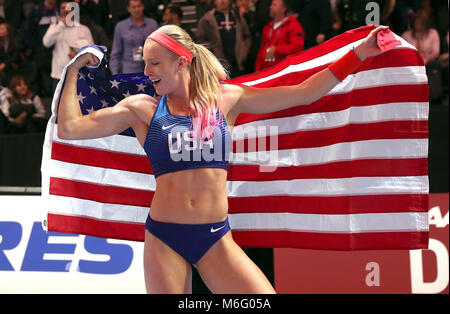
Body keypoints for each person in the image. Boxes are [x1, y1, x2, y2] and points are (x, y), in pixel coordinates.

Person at [56, 23, 388, 293]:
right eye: (145, 63)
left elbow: (305, 93)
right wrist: (71, 72)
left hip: (214, 236)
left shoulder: (226, 100)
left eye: (154, 62)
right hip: (163, 236)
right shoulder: (141, 109)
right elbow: (70, 129)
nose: (146, 71)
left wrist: (359, 53)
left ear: (180, 62)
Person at [43, 1, 94, 92]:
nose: (65, 10)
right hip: (59, 76)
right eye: (62, 8)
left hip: (79, 76)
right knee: (59, 106)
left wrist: (79, 54)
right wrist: (61, 25)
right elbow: (46, 43)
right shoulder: (55, 27)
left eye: (68, 8)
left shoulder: (83, 29)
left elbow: (93, 52)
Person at [196, 0, 251, 78]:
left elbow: (247, 36)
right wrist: (211, 51)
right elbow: (199, 39)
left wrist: (244, 50)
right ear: (215, 2)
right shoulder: (207, 19)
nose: (222, 1)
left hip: (238, 63)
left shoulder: (237, 17)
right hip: (218, 65)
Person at [109, 0, 158, 75]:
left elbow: (158, 49)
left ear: (143, 7)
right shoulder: (121, 26)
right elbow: (116, 52)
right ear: (129, 9)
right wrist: (115, 74)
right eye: (133, 7)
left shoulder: (152, 24)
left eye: (139, 6)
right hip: (127, 72)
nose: (136, 10)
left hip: (149, 70)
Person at [254, 0, 304, 71]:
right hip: (266, 71)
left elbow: (297, 47)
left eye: (274, 5)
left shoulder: (292, 25)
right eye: (271, 5)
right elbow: (262, 49)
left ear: (283, 9)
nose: (270, 7)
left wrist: (277, 50)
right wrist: (258, 68)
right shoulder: (267, 27)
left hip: (284, 71)